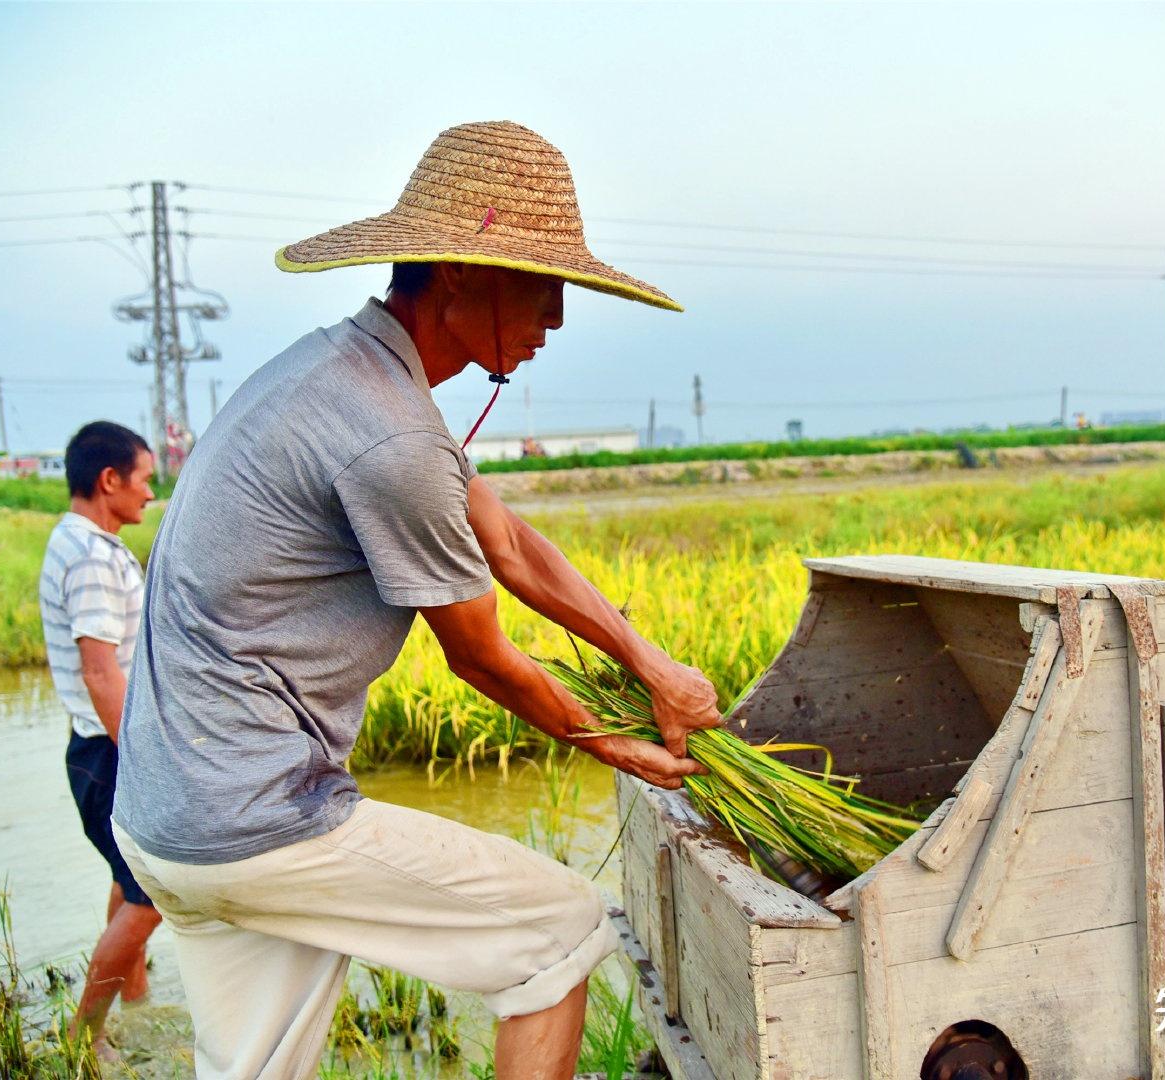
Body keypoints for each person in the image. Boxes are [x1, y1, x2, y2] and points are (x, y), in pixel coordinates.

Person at [111, 121, 722, 1080]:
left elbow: (507, 541)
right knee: (559, 933)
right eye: (542, 284)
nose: (558, 317)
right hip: (256, 815)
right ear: (460, 273)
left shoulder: (339, 376)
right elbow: (480, 656)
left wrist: (649, 665)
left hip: (165, 820)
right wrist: (616, 742)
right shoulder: (388, 433)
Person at [38, 419, 161, 1060]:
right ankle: (84, 1039)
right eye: (144, 479)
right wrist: (143, 757)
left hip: (96, 749)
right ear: (110, 480)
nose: (150, 493)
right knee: (154, 891)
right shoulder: (91, 557)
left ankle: (136, 1000)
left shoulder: (80, 541)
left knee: (128, 877)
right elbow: (99, 670)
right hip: (108, 752)